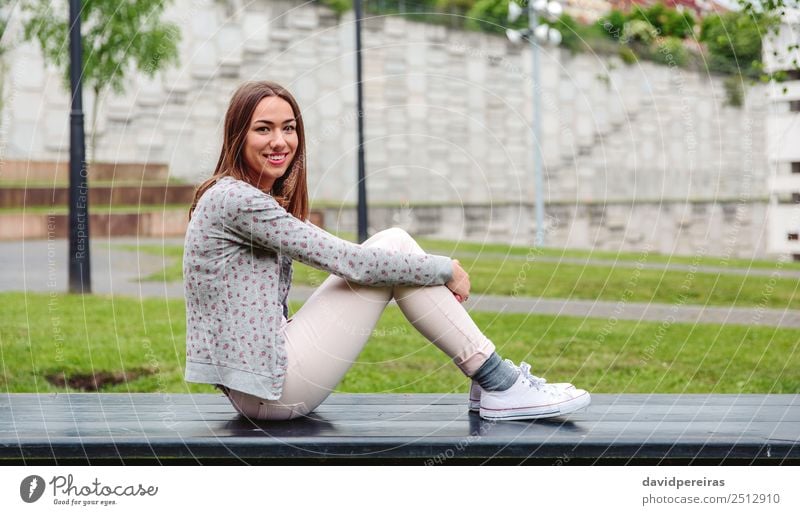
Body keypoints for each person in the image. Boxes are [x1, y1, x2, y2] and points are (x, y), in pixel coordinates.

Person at [183, 80, 590, 421]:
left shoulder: (246, 199)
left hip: (260, 383)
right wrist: (445, 268)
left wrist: (427, 269)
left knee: (394, 251)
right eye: (263, 129)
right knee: (393, 249)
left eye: (288, 128)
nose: (280, 141)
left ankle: (493, 382)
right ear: (239, 135)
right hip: (271, 393)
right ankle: (498, 382)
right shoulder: (238, 201)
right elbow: (352, 263)